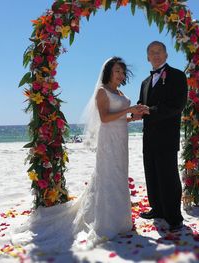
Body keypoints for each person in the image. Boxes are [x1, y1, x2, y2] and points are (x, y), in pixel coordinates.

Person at [12, 57, 146, 251]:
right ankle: (107, 222)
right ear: (108, 72)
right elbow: (105, 118)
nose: (120, 74)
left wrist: (133, 117)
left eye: (123, 72)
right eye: (117, 71)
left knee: (119, 175)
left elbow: (119, 119)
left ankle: (120, 220)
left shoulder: (119, 92)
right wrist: (128, 109)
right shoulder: (102, 92)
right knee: (108, 175)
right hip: (108, 142)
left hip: (121, 140)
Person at [134, 41, 188, 232]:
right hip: (148, 137)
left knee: (169, 177)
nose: (155, 55)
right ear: (147, 57)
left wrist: (150, 110)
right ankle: (157, 209)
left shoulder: (178, 76)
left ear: (166, 55)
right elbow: (143, 103)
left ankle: (174, 218)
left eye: (159, 52)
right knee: (152, 175)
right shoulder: (145, 82)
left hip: (167, 137)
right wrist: (136, 111)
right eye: (151, 52)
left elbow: (177, 105)